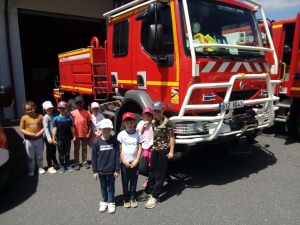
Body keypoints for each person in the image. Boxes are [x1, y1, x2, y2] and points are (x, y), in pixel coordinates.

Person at [142, 101, 174, 209]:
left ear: (163, 109)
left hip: (164, 150)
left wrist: (171, 151)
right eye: (155, 111)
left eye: (158, 110)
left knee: (160, 173)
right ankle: (150, 192)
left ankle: (155, 197)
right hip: (155, 148)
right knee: (151, 171)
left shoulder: (168, 122)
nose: (156, 112)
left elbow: (172, 137)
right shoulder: (154, 121)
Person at [92, 119, 120, 214]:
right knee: (103, 186)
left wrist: (117, 169)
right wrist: (95, 171)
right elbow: (94, 158)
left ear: (111, 129)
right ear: (100, 129)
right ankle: (104, 201)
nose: (106, 131)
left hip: (112, 169)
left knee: (111, 186)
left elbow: (117, 156)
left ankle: (111, 202)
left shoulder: (114, 141)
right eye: (104, 129)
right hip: (101, 170)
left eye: (108, 128)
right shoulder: (96, 142)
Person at [117, 112, 143, 208]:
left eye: (131, 122)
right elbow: (119, 149)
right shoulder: (121, 134)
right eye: (127, 123)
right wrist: (123, 161)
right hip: (125, 163)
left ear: (134, 122)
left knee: (134, 181)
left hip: (135, 162)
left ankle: (132, 197)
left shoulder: (138, 134)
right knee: (125, 181)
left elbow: (140, 148)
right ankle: (126, 197)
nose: (129, 124)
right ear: (124, 123)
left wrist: (137, 160)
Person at [19, 101, 45, 176]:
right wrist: (30, 134)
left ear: (34, 108)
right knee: (30, 156)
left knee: (39, 154)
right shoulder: (24, 118)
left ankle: (40, 167)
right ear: (25, 110)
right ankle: (31, 169)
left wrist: (39, 133)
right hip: (28, 140)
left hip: (39, 139)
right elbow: (21, 129)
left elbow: (43, 127)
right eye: (27, 110)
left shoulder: (40, 116)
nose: (29, 111)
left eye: (31, 109)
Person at [52, 101, 76, 173]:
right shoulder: (56, 118)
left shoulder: (69, 118)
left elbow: (72, 127)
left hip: (67, 138)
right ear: (58, 109)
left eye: (64, 108)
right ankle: (62, 165)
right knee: (61, 153)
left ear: (66, 109)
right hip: (60, 138)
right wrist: (53, 138)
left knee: (67, 152)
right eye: (60, 108)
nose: (62, 110)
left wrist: (74, 136)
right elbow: (54, 128)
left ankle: (68, 164)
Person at [70, 96, 92, 170]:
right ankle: (76, 162)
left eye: (80, 103)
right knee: (76, 149)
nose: (79, 105)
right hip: (76, 134)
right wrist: (72, 135)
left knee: (84, 148)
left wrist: (89, 132)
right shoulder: (72, 113)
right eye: (77, 103)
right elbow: (70, 125)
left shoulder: (87, 112)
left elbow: (90, 123)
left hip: (85, 134)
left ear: (83, 103)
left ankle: (84, 161)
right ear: (75, 104)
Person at [136, 107, 154, 187]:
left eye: (149, 116)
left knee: (151, 163)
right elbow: (139, 133)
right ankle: (148, 175)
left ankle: (150, 179)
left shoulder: (153, 123)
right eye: (145, 116)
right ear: (143, 117)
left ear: (152, 116)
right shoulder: (141, 123)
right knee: (144, 162)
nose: (147, 118)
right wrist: (143, 124)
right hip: (144, 146)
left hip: (151, 145)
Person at [42, 101, 59, 174]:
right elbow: (45, 128)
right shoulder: (46, 117)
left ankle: (55, 162)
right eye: (47, 109)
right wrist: (49, 138)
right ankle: (49, 166)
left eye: (50, 108)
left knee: (53, 150)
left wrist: (53, 137)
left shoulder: (52, 116)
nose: (49, 110)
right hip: (48, 137)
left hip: (53, 137)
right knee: (49, 151)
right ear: (44, 110)